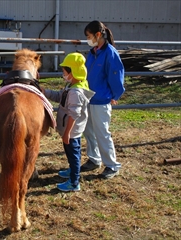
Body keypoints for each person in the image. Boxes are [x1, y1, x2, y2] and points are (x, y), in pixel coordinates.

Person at [42, 53, 95, 192]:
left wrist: (67, 133)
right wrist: (45, 91)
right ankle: (72, 170)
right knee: (71, 153)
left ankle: (74, 182)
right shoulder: (71, 86)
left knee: (74, 154)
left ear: (72, 72)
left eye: (64, 71)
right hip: (68, 130)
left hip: (71, 131)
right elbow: (60, 96)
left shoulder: (76, 92)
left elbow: (74, 114)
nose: (63, 74)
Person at [81, 20, 125, 179]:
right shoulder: (93, 52)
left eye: (88, 36)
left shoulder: (109, 53)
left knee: (102, 133)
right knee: (89, 131)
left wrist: (115, 95)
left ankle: (112, 165)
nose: (87, 39)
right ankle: (94, 158)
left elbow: (116, 75)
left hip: (101, 100)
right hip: (89, 98)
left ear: (98, 35)